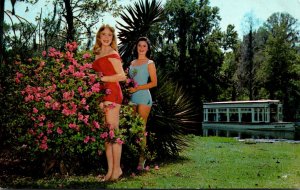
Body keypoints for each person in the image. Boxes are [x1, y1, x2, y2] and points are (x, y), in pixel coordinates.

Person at [92, 24, 126, 181]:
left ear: (113, 38)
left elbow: (121, 76)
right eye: (103, 34)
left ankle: (116, 170)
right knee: (107, 135)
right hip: (102, 94)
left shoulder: (113, 53)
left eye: (109, 35)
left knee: (113, 132)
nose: (106, 37)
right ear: (99, 36)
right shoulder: (97, 53)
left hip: (113, 93)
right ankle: (110, 171)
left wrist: (103, 78)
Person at [128, 37, 157, 170]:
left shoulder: (150, 63)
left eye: (144, 46)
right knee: (132, 128)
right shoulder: (132, 63)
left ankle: (142, 159)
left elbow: (154, 83)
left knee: (141, 129)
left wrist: (138, 88)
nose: (141, 48)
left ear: (148, 48)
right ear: (136, 47)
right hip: (132, 98)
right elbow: (129, 80)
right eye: (139, 45)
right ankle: (132, 156)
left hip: (144, 97)